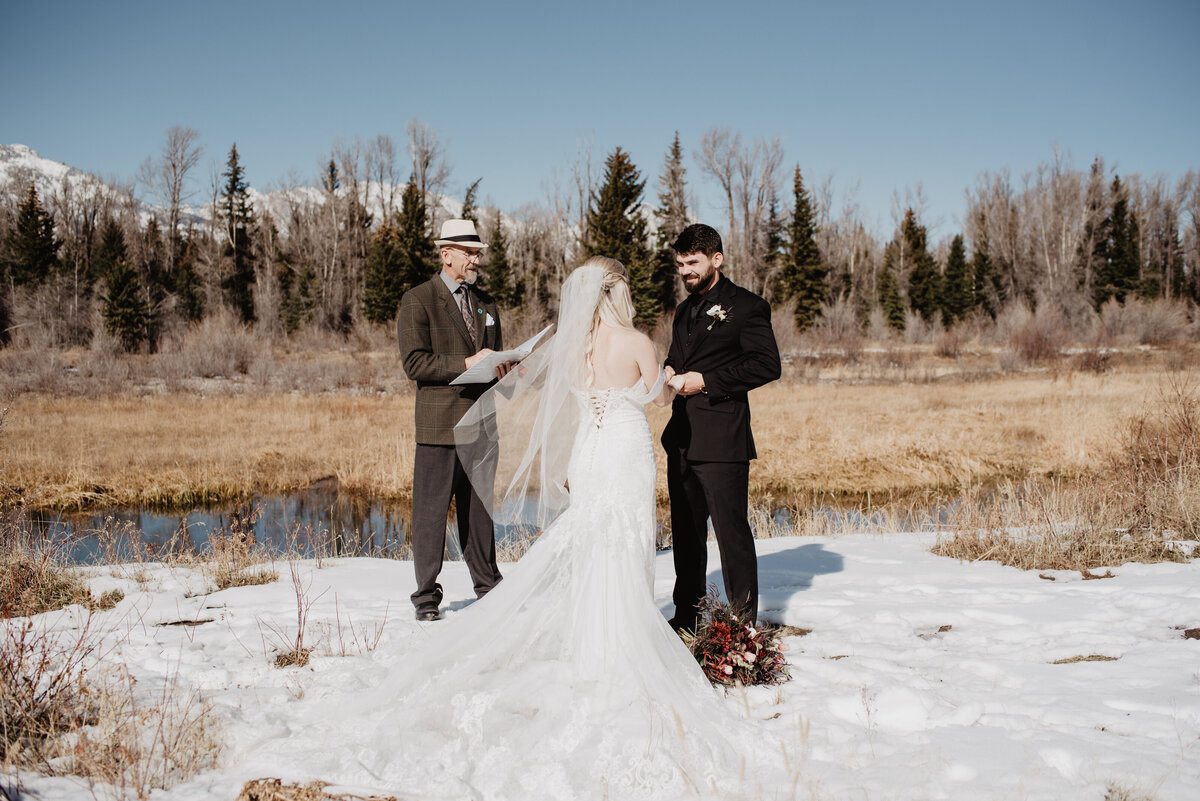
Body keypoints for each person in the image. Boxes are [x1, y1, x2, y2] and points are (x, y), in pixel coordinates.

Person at [316, 257, 784, 799]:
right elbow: (659, 395)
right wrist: (675, 380)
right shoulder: (634, 340)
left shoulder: (576, 347)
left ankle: (588, 644)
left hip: (588, 455)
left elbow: (573, 407)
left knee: (592, 546)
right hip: (625, 455)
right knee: (625, 542)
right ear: (617, 294)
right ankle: (618, 648)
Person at [662, 223, 781, 631]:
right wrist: (670, 369)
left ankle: (741, 627)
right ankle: (687, 619)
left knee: (732, 536)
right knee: (686, 536)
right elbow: (678, 355)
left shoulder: (748, 306)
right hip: (681, 439)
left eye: (692, 263)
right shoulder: (682, 310)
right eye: (679, 263)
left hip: (724, 440)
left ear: (717, 259)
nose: (684, 271)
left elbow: (768, 365)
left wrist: (706, 382)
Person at [398, 218, 509, 621]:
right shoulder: (419, 299)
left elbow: (491, 360)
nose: (476, 258)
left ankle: (489, 586)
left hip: (482, 425)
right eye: (469, 252)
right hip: (439, 427)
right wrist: (464, 362)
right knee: (430, 515)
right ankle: (426, 598)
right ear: (446, 255)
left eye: (478, 252)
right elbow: (415, 363)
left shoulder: (487, 303)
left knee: (479, 514)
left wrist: (510, 370)